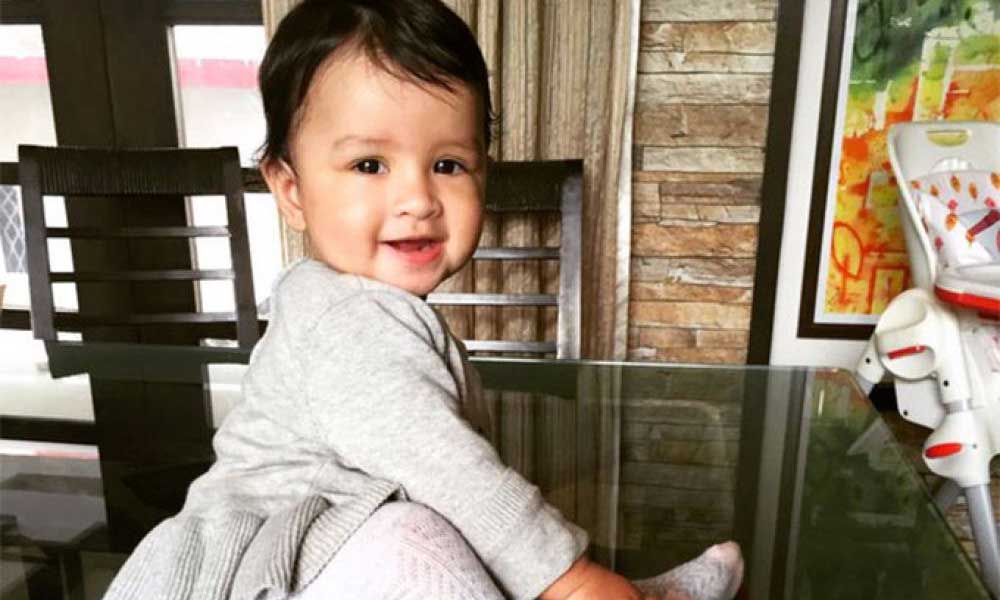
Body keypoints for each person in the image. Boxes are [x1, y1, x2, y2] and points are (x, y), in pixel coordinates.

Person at [104, 1, 744, 599]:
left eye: (448, 165)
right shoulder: (346, 321)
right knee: (417, 535)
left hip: (332, 550)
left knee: (445, 528)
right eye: (369, 165)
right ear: (291, 190)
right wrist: (571, 580)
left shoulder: (359, 307)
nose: (418, 199)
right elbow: (452, 474)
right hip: (277, 560)